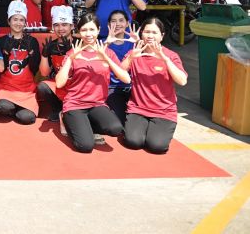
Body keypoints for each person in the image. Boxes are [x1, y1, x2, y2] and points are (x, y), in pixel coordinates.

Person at [55, 13, 130, 153]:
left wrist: (106, 58)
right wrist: (70, 59)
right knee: (85, 146)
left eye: (92, 29)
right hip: (75, 104)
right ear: (79, 32)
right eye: (84, 30)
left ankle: (85, 125)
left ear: (98, 30)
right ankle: (67, 119)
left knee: (116, 128)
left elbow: (126, 79)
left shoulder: (107, 52)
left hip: (97, 104)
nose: (88, 34)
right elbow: (59, 83)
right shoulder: (73, 53)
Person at [121, 18, 187, 154]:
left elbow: (182, 81)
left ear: (162, 36)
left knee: (157, 146)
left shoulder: (170, 55)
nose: (150, 36)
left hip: (164, 111)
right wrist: (131, 57)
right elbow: (119, 72)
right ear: (141, 34)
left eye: (154, 32)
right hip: (138, 108)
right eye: (147, 32)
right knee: (133, 142)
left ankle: (156, 131)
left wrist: (165, 60)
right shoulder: (136, 52)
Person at [0, 1, 41, 125]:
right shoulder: (1, 41)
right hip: (6, 87)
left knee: (27, 118)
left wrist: (31, 53)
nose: (18, 23)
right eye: (15, 19)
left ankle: (18, 109)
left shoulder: (32, 41)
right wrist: (5, 53)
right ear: (9, 21)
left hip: (26, 89)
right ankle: (12, 107)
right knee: (4, 107)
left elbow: (35, 69)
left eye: (21, 20)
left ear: (25, 22)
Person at [36, 6, 74, 123]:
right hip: (59, 84)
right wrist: (45, 54)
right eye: (57, 25)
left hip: (77, 85)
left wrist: (70, 52)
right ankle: (57, 108)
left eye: (64, 24)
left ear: (72, 26)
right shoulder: (51, 45)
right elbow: (44, 73)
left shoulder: (79, 43)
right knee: (42, 86)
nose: (60, 28)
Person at [103, 10, 139, 123]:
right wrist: (107, 43)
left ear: (127, 23)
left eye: (121, 20)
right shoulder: (103, 43)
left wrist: (138, 42)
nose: (118, 24)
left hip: (133, 88)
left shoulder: (134, 43)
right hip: (112, 88)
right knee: (120, 120)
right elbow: (97, 58)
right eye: (114, 21)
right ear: (109, 24)